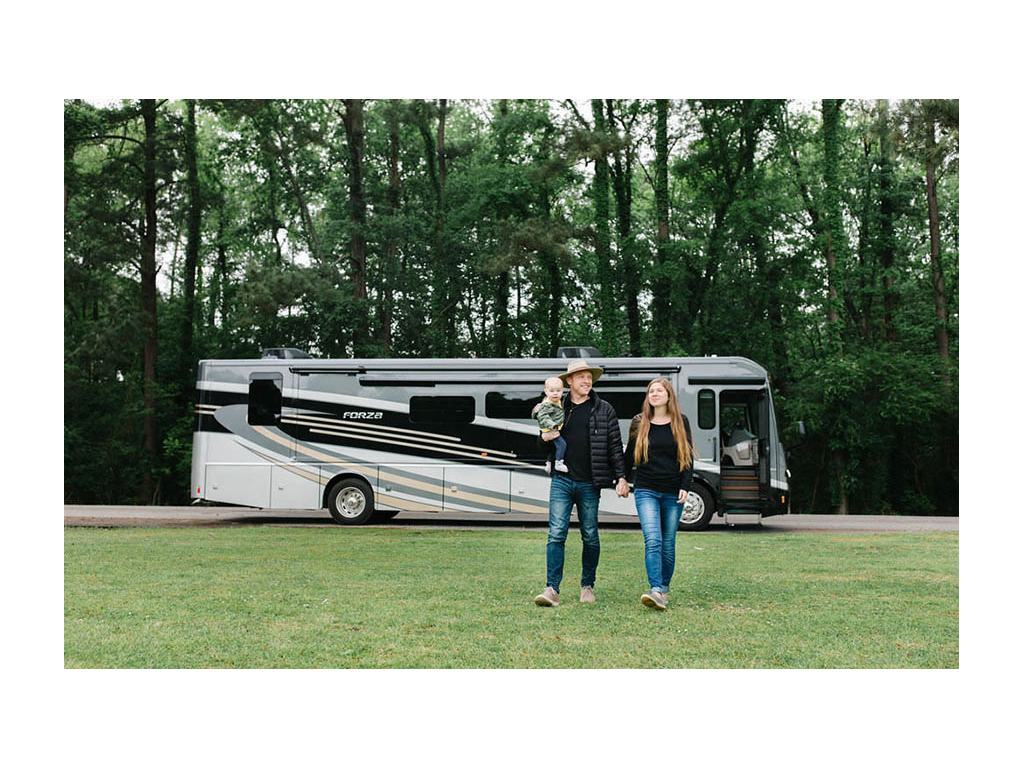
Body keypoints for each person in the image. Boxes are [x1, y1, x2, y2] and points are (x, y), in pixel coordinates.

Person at [534, 360, 629, 607]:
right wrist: (544, 437)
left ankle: (587, 585)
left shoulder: (604, 409)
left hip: (590, 482)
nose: (587, 381)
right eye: (581, 377)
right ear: (569, 381)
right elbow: (542, 441)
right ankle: (552, 589)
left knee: (590, 535)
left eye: (589, 377)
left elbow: (615, 446)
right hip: (562, 480)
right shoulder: (556, 405)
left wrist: (621, 476)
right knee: (556, 534)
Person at [622, 377, 695, 611]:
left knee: (667, 544)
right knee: (653, 540)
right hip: (646, 489)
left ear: (668, 395)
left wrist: (685, 485)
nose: (654, 394)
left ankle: (663, 590)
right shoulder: (640, 422)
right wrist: (622, 478)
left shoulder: (680, 421)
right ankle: (655, 589)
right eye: (651, 391)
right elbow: (628, 454)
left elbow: (687, 456)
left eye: (659, 391)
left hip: (673, 490)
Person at [532, 376, 568, 474]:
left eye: (558, 390)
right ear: (546, 391)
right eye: (552, 391)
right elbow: (543, 417)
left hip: (553, 428)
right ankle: (559, 463)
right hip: (550, 429)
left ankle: (548, 464)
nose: (555, 393)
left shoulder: (558, 400)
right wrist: (552, 425)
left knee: (553, 447)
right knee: (562, 445)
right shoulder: (546, 405)